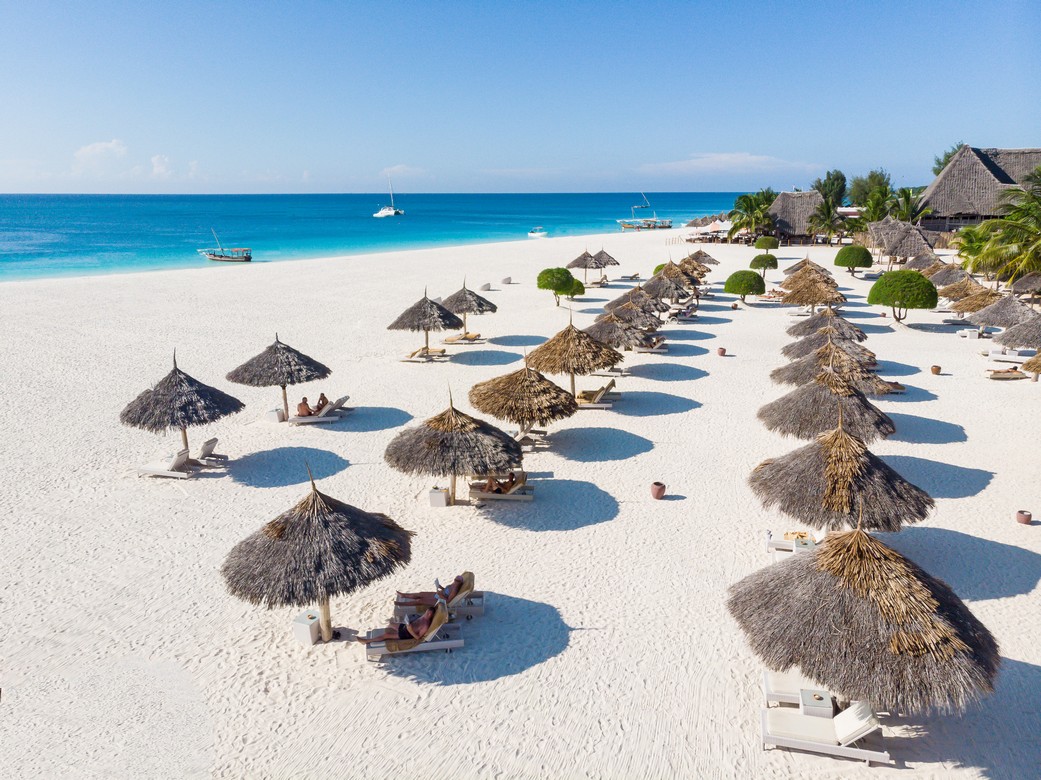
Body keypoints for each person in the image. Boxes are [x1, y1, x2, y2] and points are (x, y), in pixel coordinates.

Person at [356, 603, 437, 645]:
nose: (425, 614)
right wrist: (409, 622)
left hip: (407, 633)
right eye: (426, 612)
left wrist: (410, 630)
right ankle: (390, 633)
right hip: (406, 627)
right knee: (391, 624)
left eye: (427, 613)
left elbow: (418, 637)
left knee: (386, 635)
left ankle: (366, 641)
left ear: (430, 614)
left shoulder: (426, 625)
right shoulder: (424, 616)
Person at [396, 574, 466, 608]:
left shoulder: (454, 591)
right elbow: (446, 590)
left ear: (460, 582)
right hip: (438, 595)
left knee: (420, 601)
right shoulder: (453, 584)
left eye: (457, 580)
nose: (455, 581)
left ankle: (402, 604)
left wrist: (440, 594)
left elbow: (447, 601)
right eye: (455, 579)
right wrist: (440, 586)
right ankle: (403, 595)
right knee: (420, 594)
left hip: (440, 600)